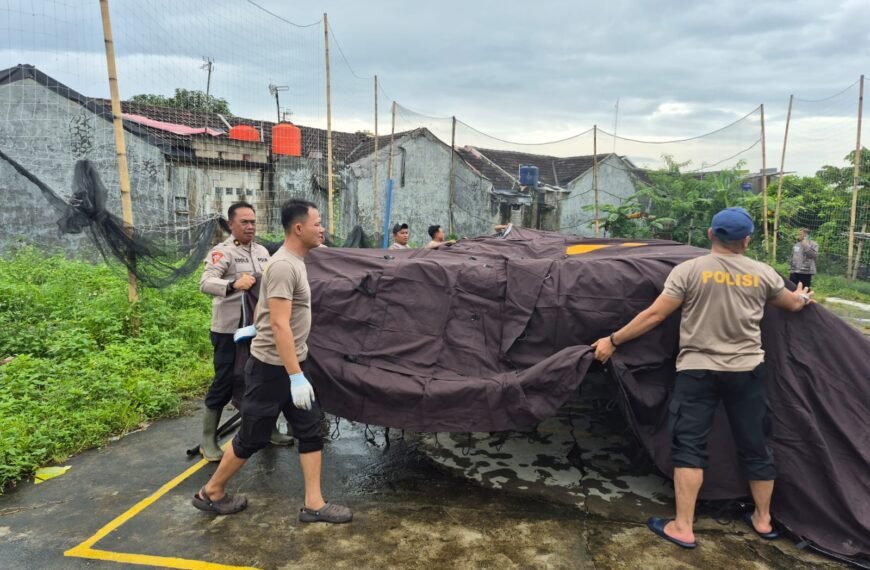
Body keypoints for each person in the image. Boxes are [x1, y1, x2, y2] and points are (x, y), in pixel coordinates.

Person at [591, 207, 813, 550]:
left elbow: (654, 315)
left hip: (697, 371)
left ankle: (683, 527)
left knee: (690, 446)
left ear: (711, 234)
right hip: (747, 372)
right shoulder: (763, 274)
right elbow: (792, 304)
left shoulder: (689, 270)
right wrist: (802, 297)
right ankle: (763, 519)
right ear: (747, 240)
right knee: (756, 445)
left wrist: (613, 340)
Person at [192, 199, 352, 523]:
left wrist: (260, 329)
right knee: (252, 436)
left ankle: (314, 503)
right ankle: (211, 492)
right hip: (272, 369)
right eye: (318, 223)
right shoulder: (283, 266)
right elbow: (279, 324)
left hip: (292, 363)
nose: (322, 229)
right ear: (298, 228)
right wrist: (295, 376)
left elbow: (270, 310)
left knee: (310, 430)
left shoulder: (292, 260)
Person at [198, 202, 293, 461]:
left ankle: (269, 429)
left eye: (253, 222)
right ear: (231, 224)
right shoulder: (223, 252)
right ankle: (208, 440)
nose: (250, 226)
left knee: (263, 378)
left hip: (257, 329)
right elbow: (205, 283)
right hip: (229, 330)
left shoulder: (262, 252)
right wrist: (232, 284)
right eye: (244, 222)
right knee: (225, 380)